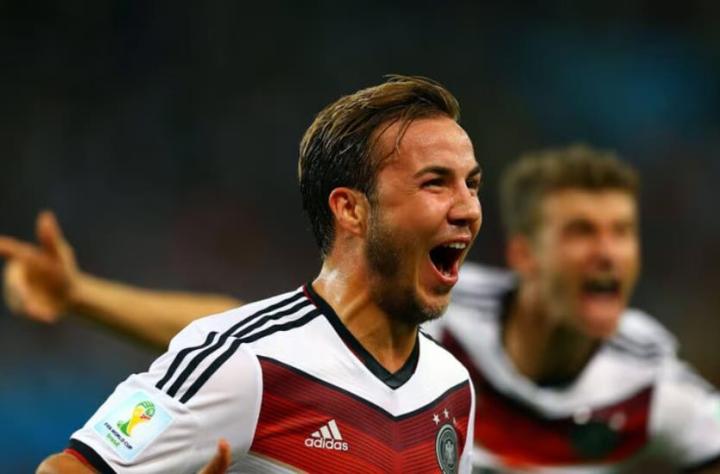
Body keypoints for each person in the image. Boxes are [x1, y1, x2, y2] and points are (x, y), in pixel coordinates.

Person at [3, 149, 719, 471]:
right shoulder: (441, 313)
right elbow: (257, 343)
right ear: (526, 255)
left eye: (622, 234)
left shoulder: (649, 382)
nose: (607, 254)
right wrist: (81, 296)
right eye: (582, 233)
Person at [29, 75, 483, 473]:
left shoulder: (452, 387)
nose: (468, 208)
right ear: (351, 209)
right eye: (435, 183)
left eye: (472, 184)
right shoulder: (246, 364)